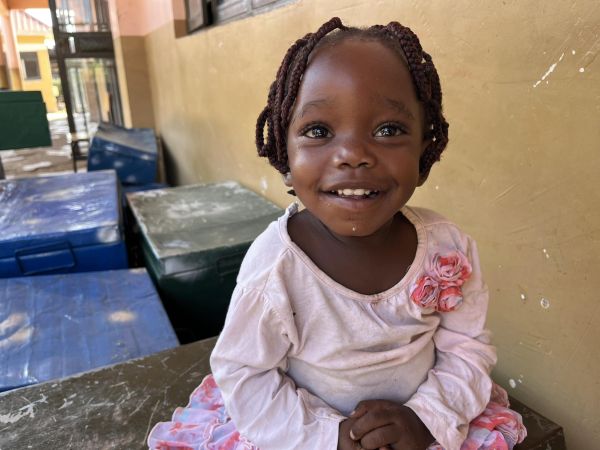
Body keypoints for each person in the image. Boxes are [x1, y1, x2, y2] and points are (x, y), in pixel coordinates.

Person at [148, 17, 526, 450]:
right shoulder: (275, 268)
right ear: (284, 155)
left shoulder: (448, 249)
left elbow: (467, 348)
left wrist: (426, 419)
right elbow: (246, 375)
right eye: (318, 131)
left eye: (388, 130)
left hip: (428, 428)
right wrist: (331, 436)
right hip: (300, 433)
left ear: (425, 151)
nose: (352, 154)